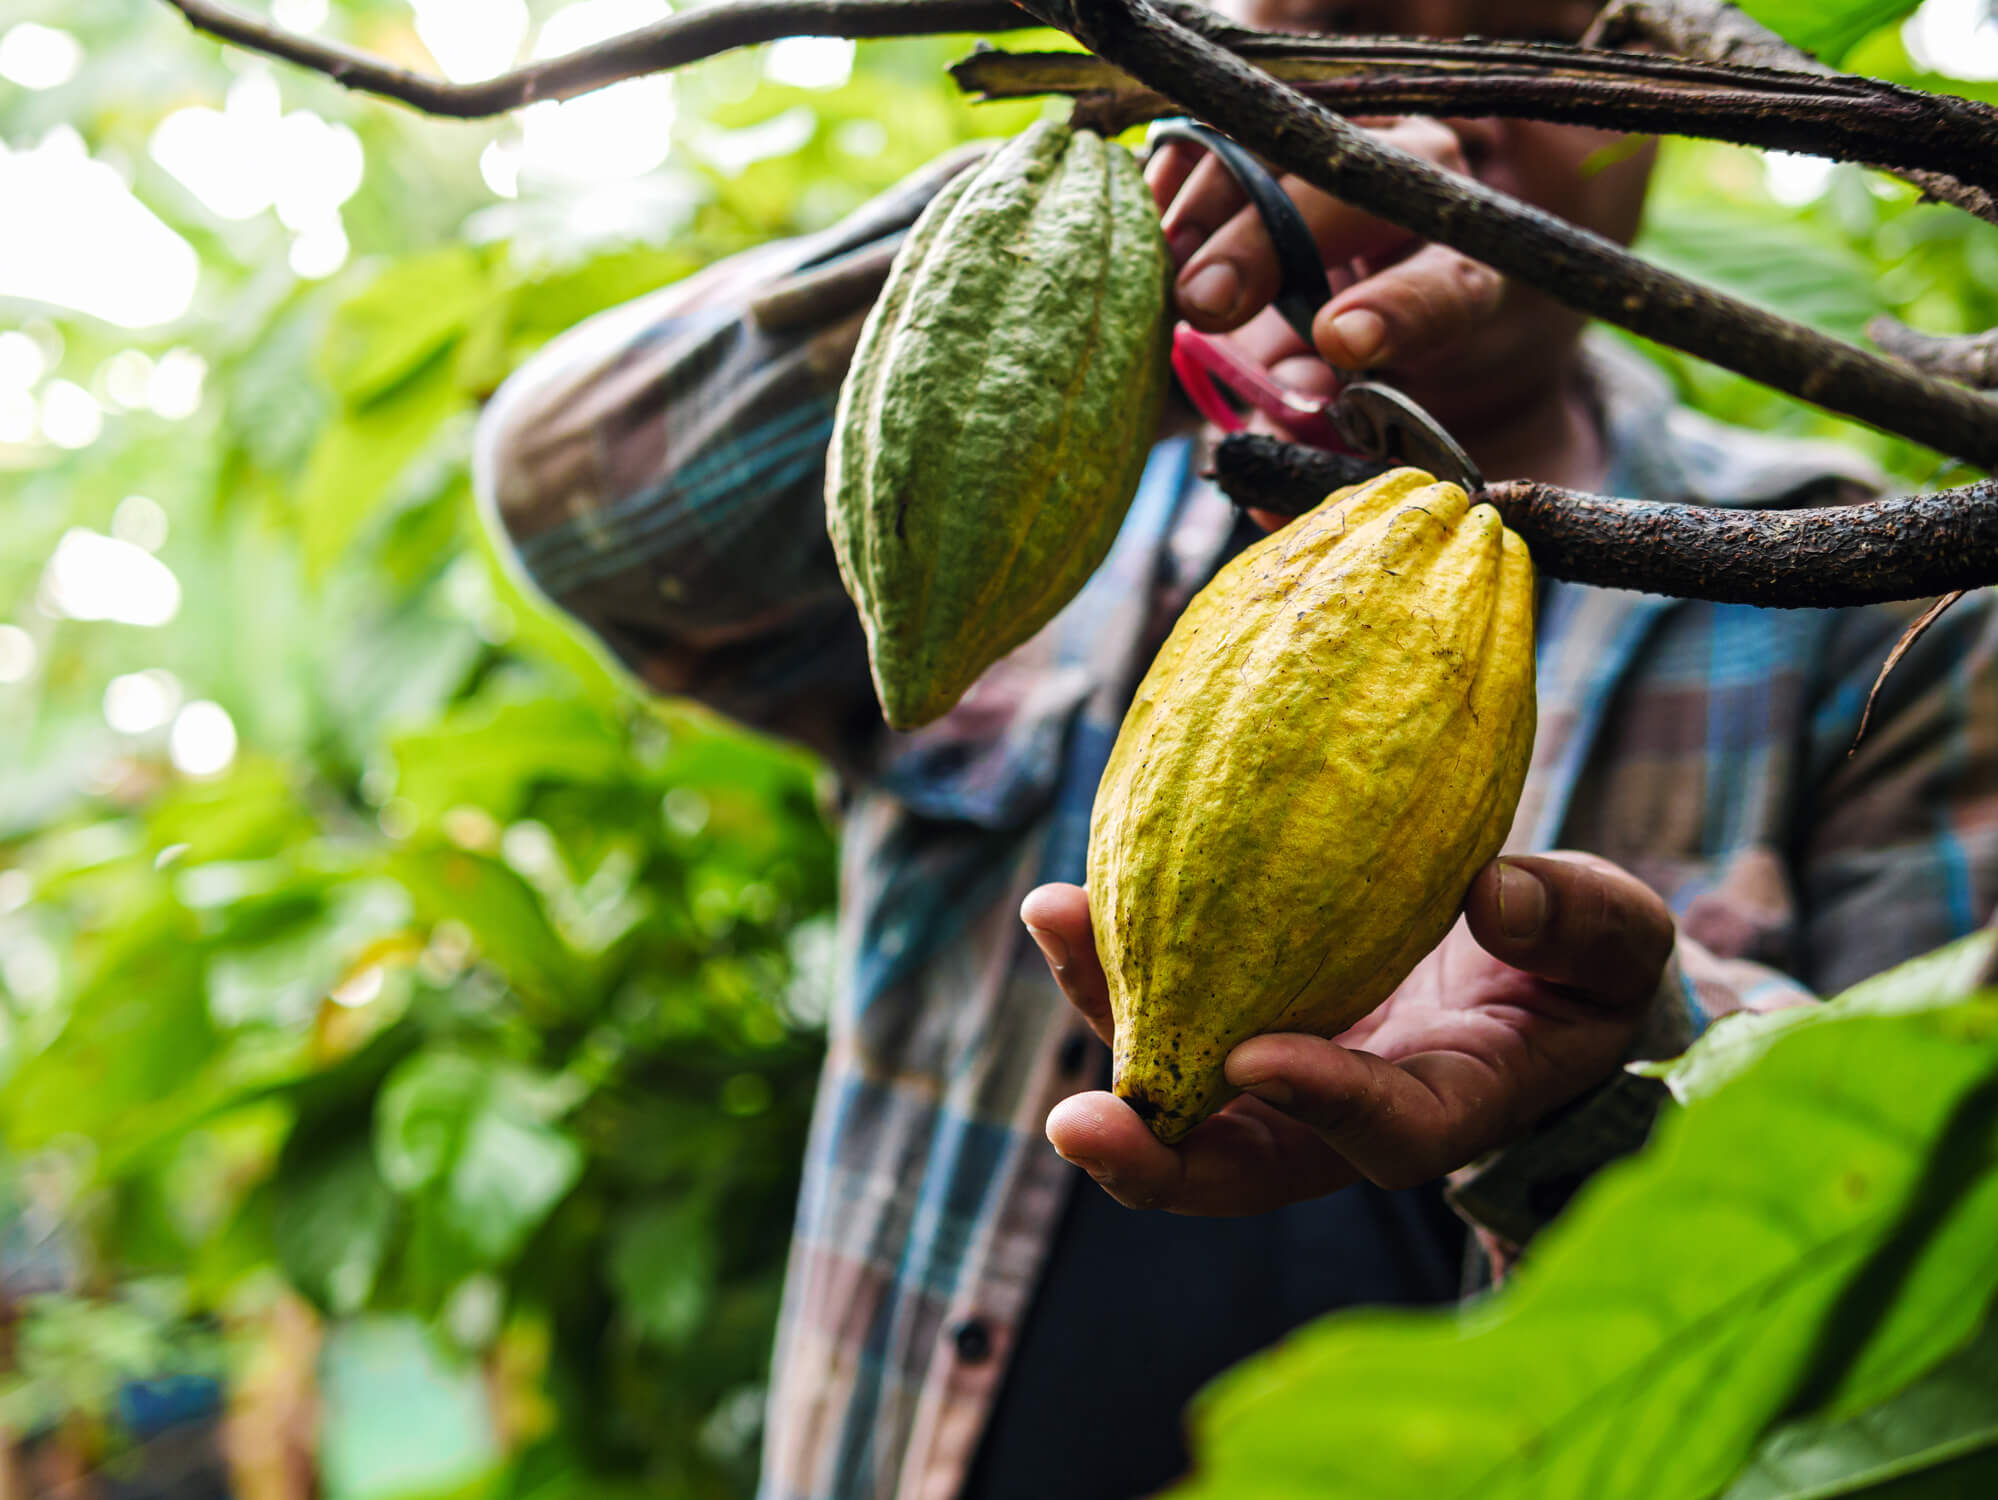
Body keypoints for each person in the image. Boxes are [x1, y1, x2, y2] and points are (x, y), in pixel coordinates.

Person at [471, 1, 1998, 1495]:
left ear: (1659, 96)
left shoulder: (1886, 610)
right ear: (1219, 37)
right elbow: (578, 501)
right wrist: (1104, 295)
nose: (1445, 88)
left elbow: (1928, 1230)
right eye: (1350, 10)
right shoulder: (1045, 534)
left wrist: (1608, 1074)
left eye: (1533, 31)